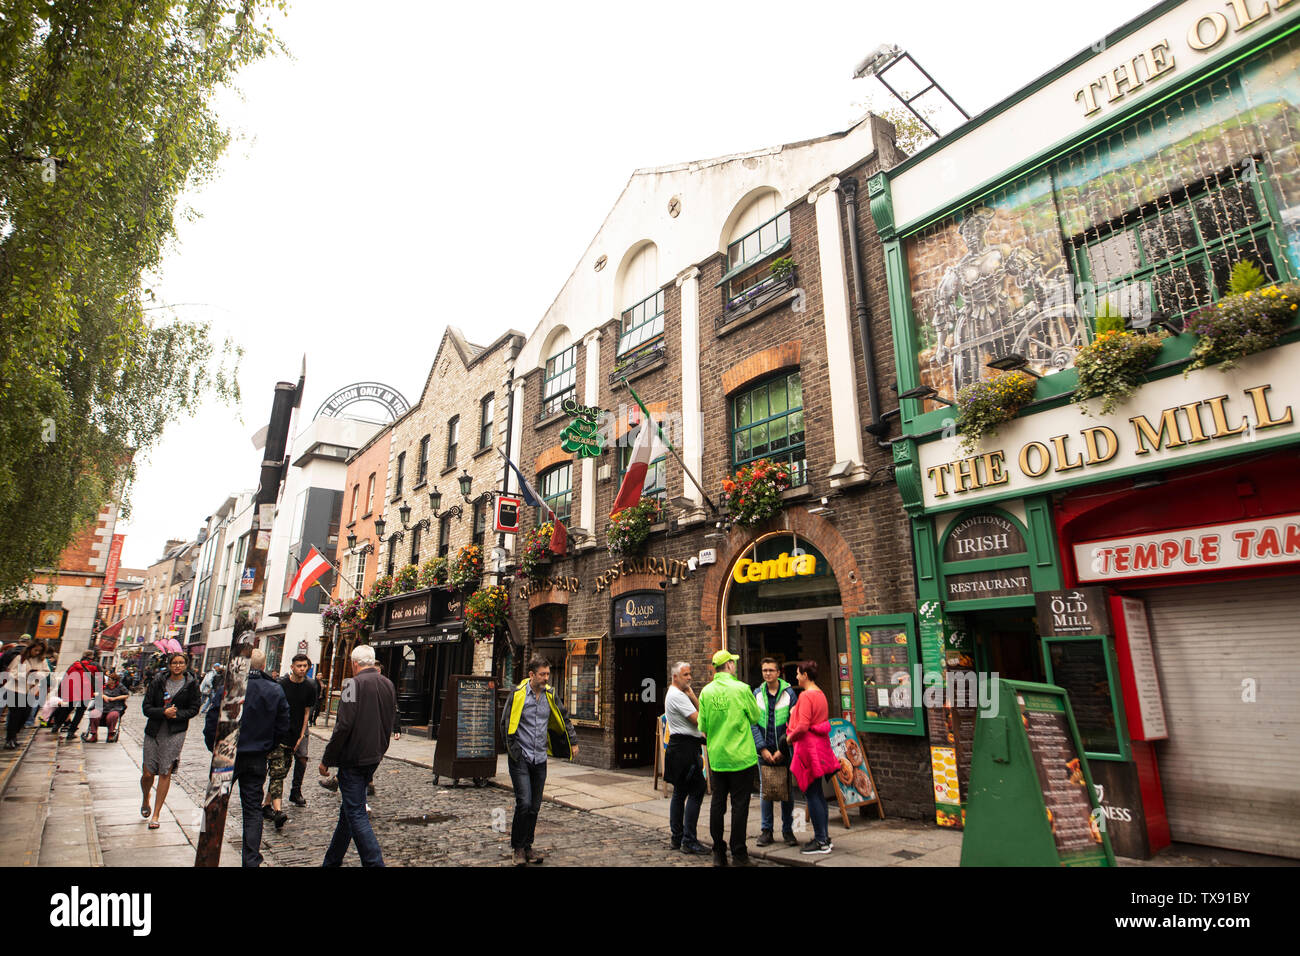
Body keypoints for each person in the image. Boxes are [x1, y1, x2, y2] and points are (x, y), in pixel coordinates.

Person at [204, 649, 289, 866]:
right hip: (256, 755)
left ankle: (206, 851)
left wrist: (213, 747)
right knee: (252, 810)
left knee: (214, 805)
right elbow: (283, 725)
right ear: (262, 667)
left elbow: (212, 720)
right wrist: (268, 747)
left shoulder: (230, 686)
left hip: (226, 754)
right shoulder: (274, 689)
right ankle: (251, 860)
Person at [319, 645, 395, 867]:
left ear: (354, 663)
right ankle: (331, 861)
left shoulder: (351, 684)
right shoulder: (388, 683)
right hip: (374, 756)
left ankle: (374, 862)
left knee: (356, 812)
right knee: (348, 812)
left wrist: (327, 759)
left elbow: (343, 725)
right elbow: (389, 720)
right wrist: (382, 747)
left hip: (353, 758)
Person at [499, 657, 577, 866]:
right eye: (542, 674)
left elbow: (563, 717)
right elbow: (504, 722)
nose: (546, 678)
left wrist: (573, 741)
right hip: (521, 757)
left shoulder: (550, 695)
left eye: (547, 674)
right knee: (523, 803)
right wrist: (512, 750)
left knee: (534, 806)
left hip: (540, 757)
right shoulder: (517, 695)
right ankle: (517, 848)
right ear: (531, 675)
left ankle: (528, 847)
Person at [696, 648, 761, 867]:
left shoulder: (706, 692)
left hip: (718, 757)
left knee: (717, 804)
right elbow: (755, 717)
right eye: (733, 663)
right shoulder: (742, 689)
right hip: (742, 757)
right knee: (740, 805)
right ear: (730, 666)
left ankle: (718, 852)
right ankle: (739, 854)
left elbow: (702, 726)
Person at [140, 652, 201, 829]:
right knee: (148, 774)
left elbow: (194, 708)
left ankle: (156, 814)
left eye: (181, 663)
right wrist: (163, 713)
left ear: (186, 665)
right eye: (175, 663)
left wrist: (177, 715)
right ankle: (146, 799)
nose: (178, 666)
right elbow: (146, 707)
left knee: (165, 771)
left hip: (175, 732)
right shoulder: (158, 681)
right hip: (154, 731)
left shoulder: (191, 684)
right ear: (169, 664)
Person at [785, 660, 840, 856]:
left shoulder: (806, 696)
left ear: (805, 675)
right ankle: (823, 836)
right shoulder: (820, 694)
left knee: (812, 794)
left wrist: (790, 738)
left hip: (807, 749)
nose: (796, 677)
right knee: (817, 794)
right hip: (819, 748)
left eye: (798, 674)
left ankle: (820, 840)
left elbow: (802, 726)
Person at [752, 656, 799, 848]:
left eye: (771, 670)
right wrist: (762, 748)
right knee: (766, 791)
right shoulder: (757, 693)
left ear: (778, 673)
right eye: (765, 671)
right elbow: (753, 723)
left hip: (784, 750)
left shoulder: (789, 694)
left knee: (787, 791)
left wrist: (783, 749)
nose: (768, 674)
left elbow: (794, 723)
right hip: (764, 751)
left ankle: (788, 831)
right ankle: (766, 831)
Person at [663, 661, 709, 855]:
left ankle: (677, 837)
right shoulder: (677, 696)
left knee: (680, 792)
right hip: (685, 749)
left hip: (679, 747)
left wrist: (691, 695)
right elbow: (701, 720)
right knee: (697, 790)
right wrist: (694, 698)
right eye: (686, 675)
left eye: (690, 674)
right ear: (675, 677)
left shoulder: (678, 694)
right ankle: (688, 839)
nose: (690, 677)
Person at [265, 653, 318, 819]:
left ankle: (293, 792)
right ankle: (276, 809)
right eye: (299, 666)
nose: (302, 669)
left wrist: (302, 734)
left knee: (298, 760)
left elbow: (307, 712)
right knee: (278, 771)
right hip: (280, 732)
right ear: (292, 667)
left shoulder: (310, 686)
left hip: (298, 731)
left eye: (304, 666)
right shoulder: (281, 684)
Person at [4, 639, 50, 749]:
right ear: (30, 648)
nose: (37, 653)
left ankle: (14, 736)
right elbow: (11, 672)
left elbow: (46, 672)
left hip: (29, 691)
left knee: (24, 715)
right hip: (15, 690)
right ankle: (10, 739)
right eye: (36, 650)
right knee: (15, 715)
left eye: (40, 651)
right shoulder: (20, 658)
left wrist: (37, 675)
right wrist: (26, 675)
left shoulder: (41, 660)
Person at [50, 649, 100, 740]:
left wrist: (61, 691)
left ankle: (56, 726)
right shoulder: (95, 666)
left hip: (72, 692)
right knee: (79, 713)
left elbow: (65, 678)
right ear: (92, 656)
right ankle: (71, 732)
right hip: (86, 693)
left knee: (66, 709)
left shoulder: (74, 665)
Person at [82, 671, 129, 742]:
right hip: (101, 706)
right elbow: (95, 693)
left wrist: (114, 698)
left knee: (112, 716)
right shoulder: (104, 686)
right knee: (94, 714)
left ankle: (110, 734)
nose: (108, 681)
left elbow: (126, 695)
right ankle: (94, 735)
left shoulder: (120, 687)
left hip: (114, 707)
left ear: (114, 681)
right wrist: (103, 696)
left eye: (109, 679)